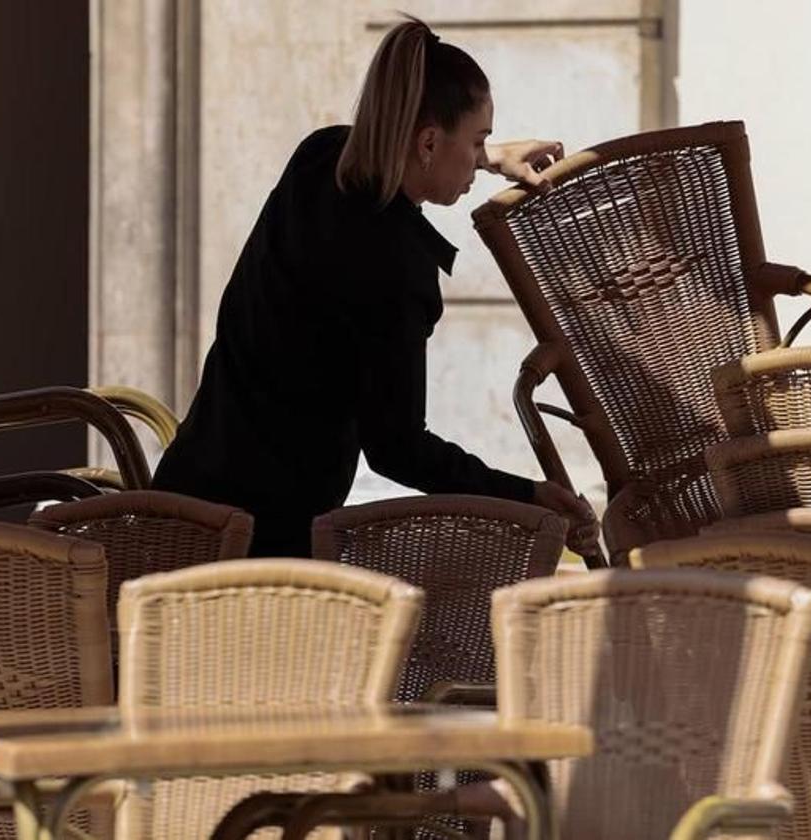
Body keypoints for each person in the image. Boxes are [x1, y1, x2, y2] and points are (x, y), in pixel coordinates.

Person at [152, 17, 599, 558]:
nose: (480, 156)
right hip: (261, 549)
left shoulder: (318, 160)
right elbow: (398, 448)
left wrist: (487, 155)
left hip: (183, 500)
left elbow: (399, 149)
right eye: (477, 139)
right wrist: (528, 495)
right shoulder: (398, 270)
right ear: (429, 141)